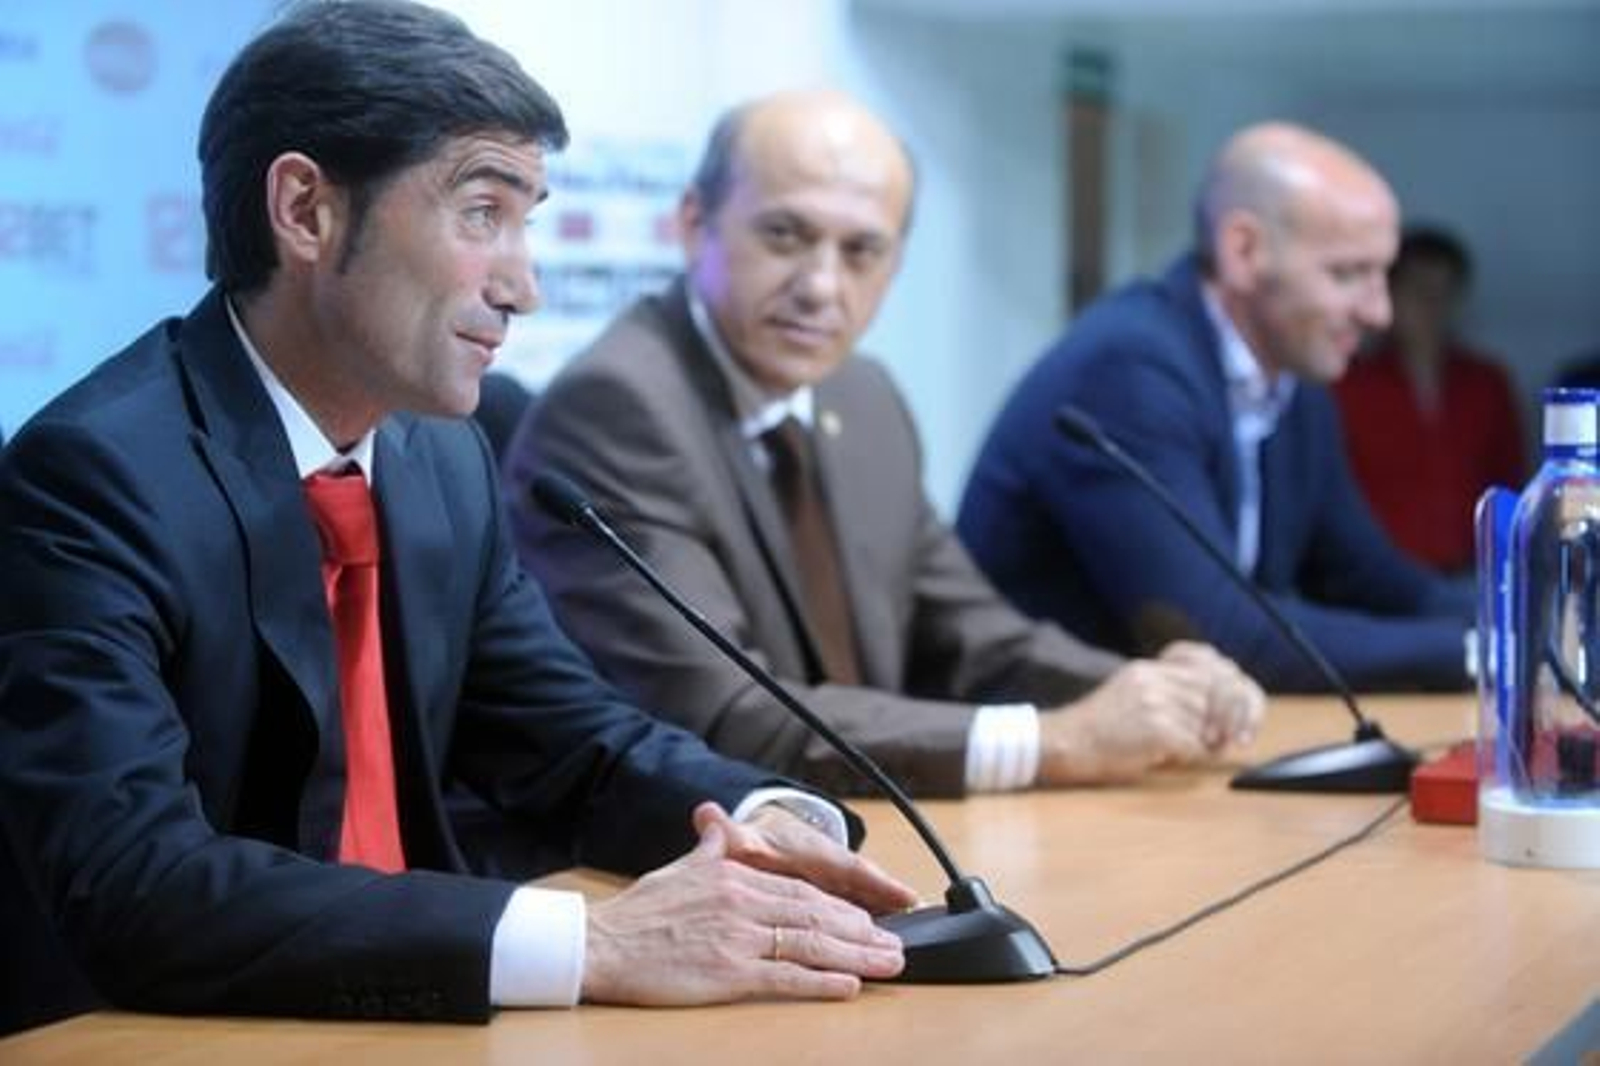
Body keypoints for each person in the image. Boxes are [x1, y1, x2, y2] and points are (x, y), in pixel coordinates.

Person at [0, 1, 916, 1036]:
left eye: (526, 220)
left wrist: (767, 823)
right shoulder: (93, 477)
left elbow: (569, 742)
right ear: (306, 211)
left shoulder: (440, 457)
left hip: (415, 1023)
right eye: (482, 212)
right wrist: (595, 943)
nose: (522, 282)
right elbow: (137, 883)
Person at [504, 90, 1264, 800]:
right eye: (785, 235)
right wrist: (1054, 741)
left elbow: (978, 638)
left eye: (861, 251)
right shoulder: (618, 407)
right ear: (695, 222)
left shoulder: (860, 396)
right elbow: (729, 716)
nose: (822, 287)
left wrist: (1155, 692)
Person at [957, 122, 1473, 694]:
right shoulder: (1128, 371)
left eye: (1384, 275)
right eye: (1347, 274)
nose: (1379, 313)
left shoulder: (1294, 380)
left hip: (1170, 747)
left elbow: (1373, 579)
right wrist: (1483, 655)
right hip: (1042, 749)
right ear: (1243, 250)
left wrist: (1530, 625)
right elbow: (1220, 634)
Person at [1333, 226, 1525, 574]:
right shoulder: (1348, 385)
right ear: (1391, 294)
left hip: (1472, 572)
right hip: (1373, 578)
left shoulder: (1487, 383)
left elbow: (1509, 485)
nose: (1431, 306)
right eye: (1419, 291)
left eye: (1444, 292)